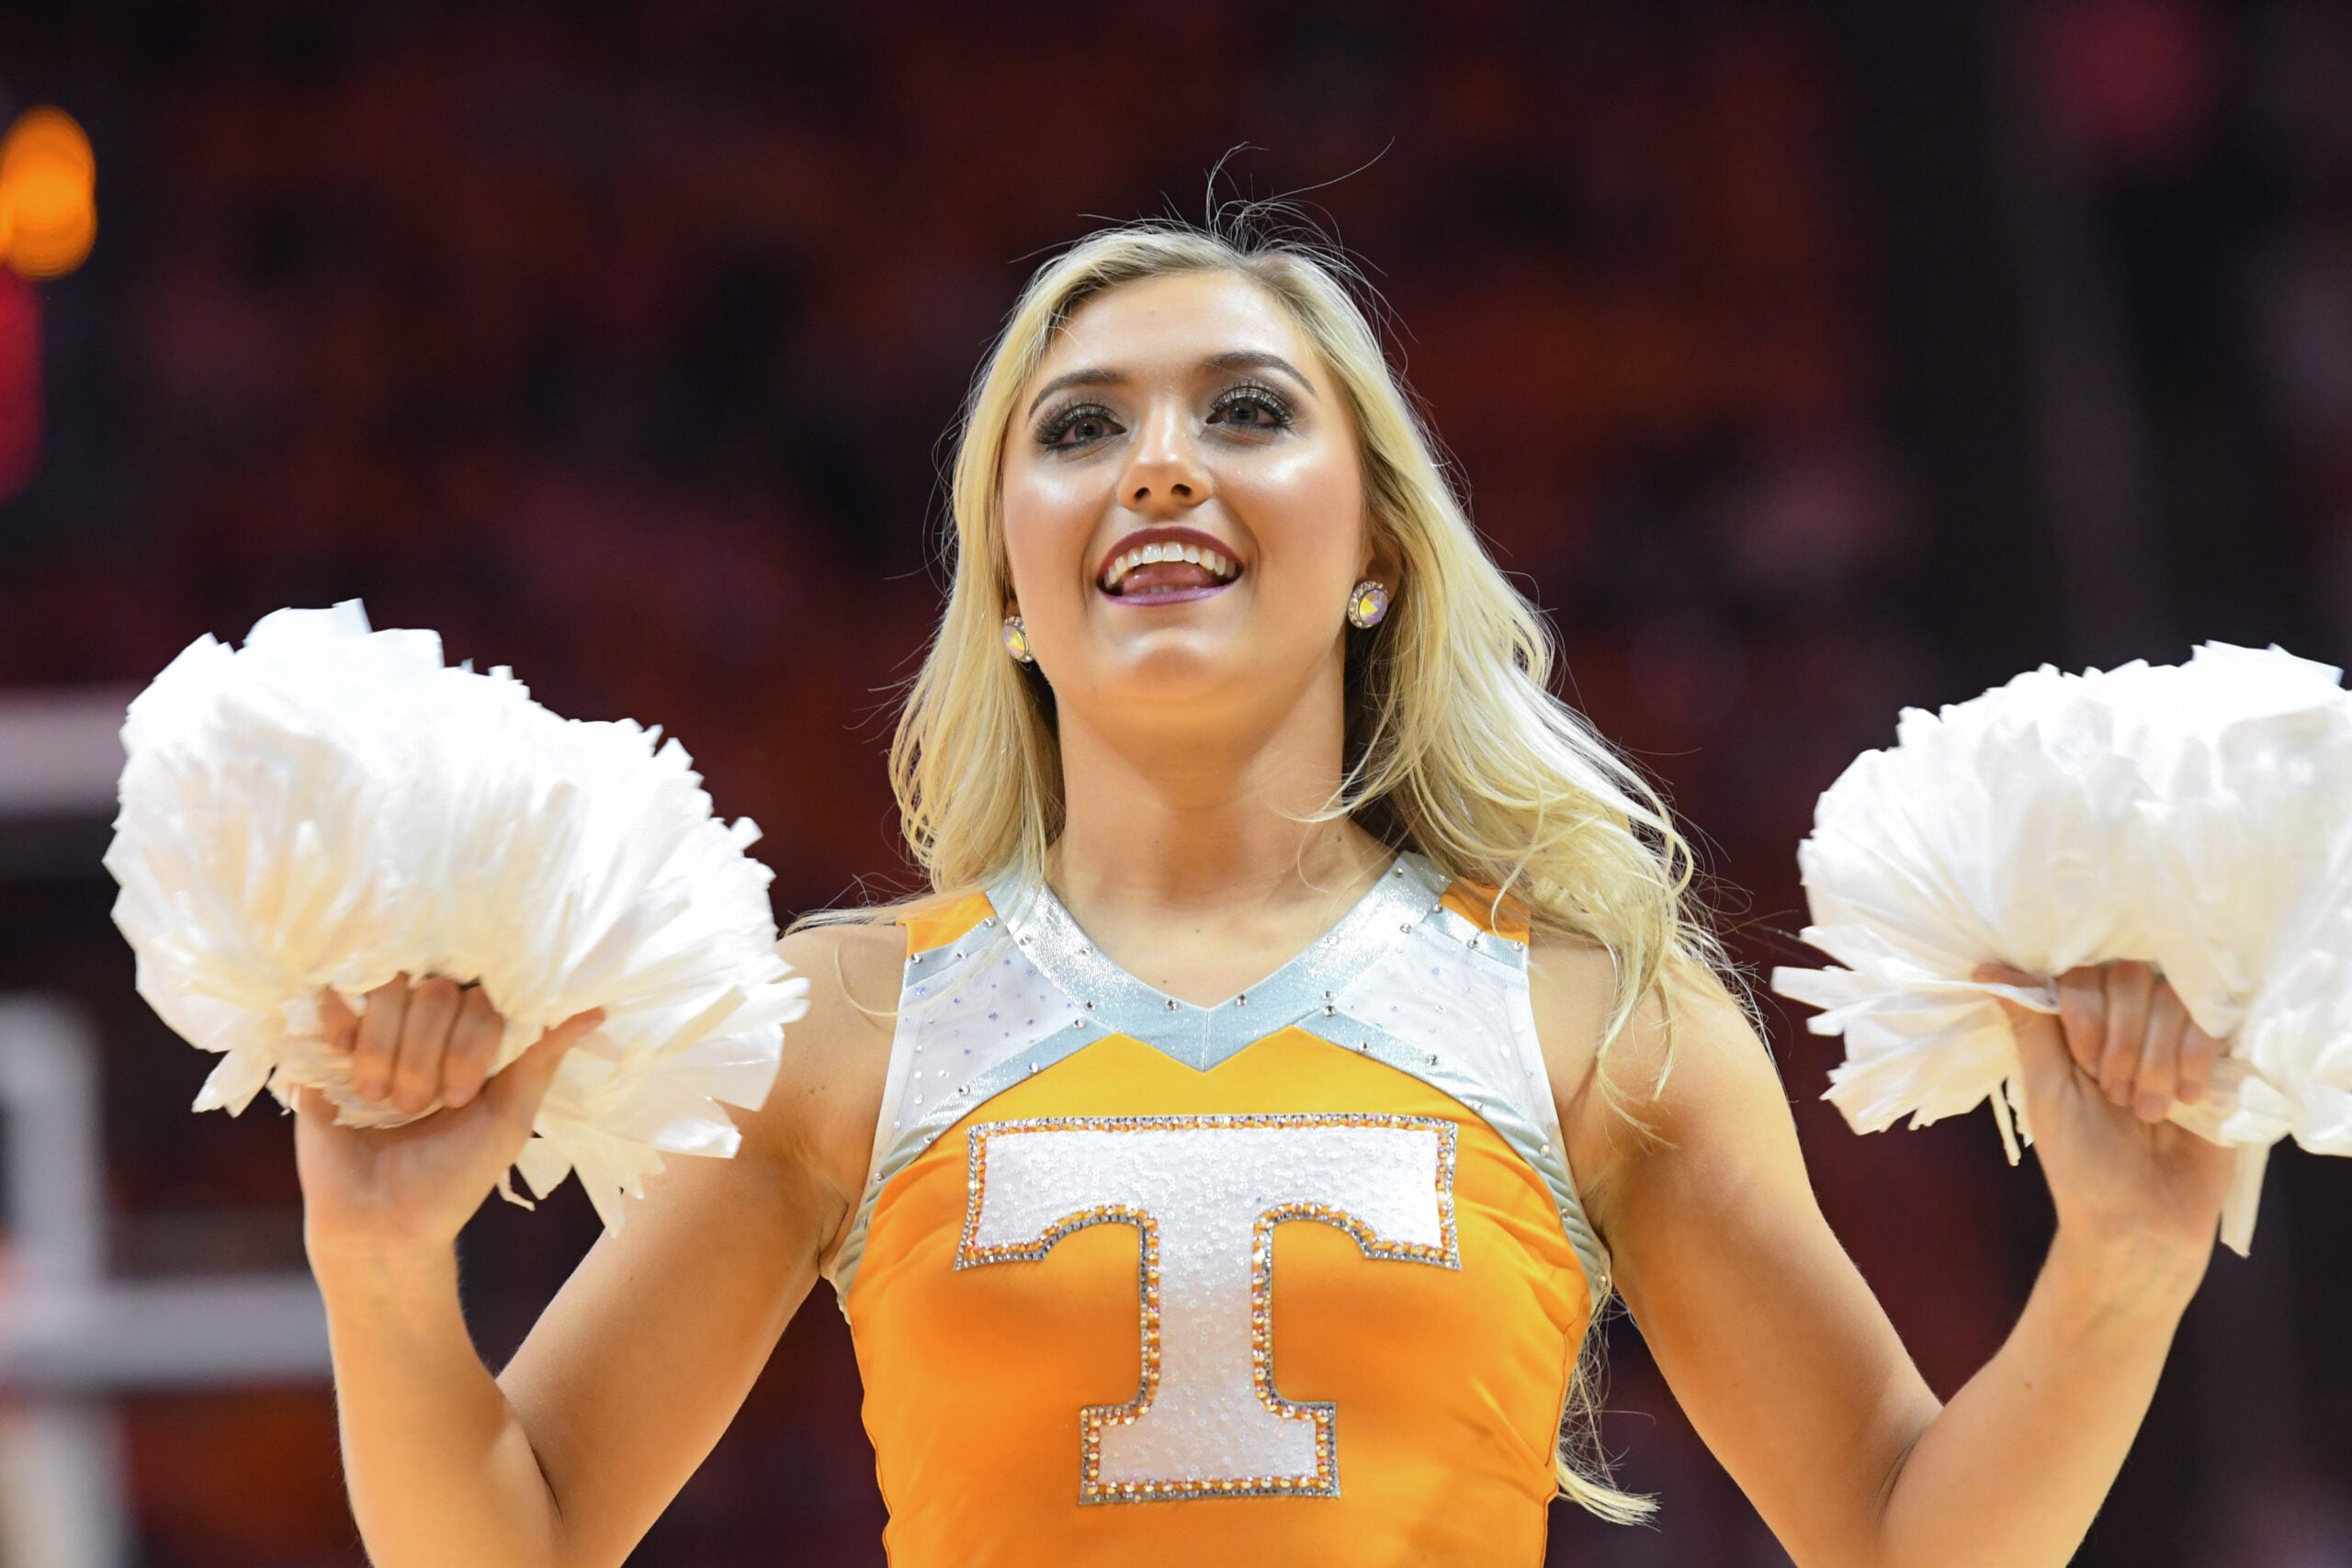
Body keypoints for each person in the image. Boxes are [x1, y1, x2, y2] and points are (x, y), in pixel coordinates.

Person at [291, 221, 2237, 1567]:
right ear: (1002, 581)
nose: (1154, 463)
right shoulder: (841, 1019)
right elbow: (519, 1532)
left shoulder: (1589, 1017)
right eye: (1077, 429)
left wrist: (2123, 1260)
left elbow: (1903, 1535)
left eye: (1241, 409)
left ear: (1378, 544)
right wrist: (381, 1265)